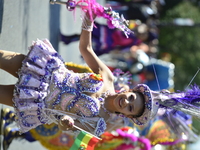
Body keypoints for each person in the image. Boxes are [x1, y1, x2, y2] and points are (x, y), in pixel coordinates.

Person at [0, 3, 200, 140]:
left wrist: (67, 124)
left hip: (36, 102)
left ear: (127, 115)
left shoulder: (101, 124)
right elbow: (86, 49)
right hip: (43, 71)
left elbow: (68, 129)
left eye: (130, 108)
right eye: (131, 98)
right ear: (128, 91)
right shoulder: (108, 78)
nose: (127, 102)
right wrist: (89, 17)